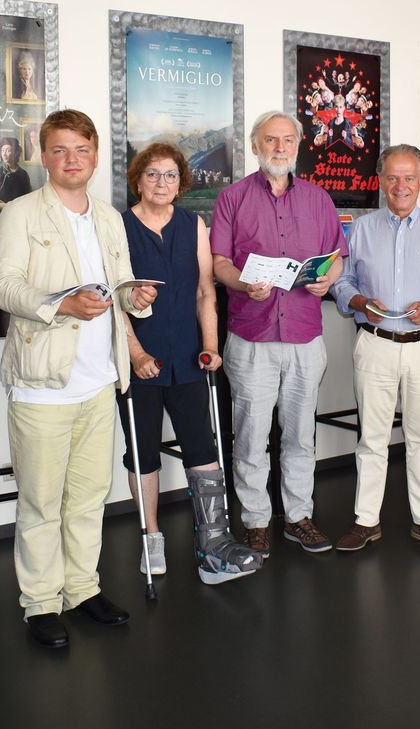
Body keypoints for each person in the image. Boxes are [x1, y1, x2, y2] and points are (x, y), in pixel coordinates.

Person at [0, 109, 158, 648]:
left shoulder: (108, 217)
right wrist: (62, 304)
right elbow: (3, 287)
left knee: (88, 498)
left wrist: (136, 296)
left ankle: (82, 590)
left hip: (99, 381)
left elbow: (121, 287)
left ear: (95, 155)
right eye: (60, 149)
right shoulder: (20, 213)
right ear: (44, 156)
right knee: (41, 502)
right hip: (42, 384)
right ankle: (40, 602)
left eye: (81, 150)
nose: (71, 159)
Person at [119, 142, 263, 583]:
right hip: (139, 358)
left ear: (181, 182)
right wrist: (136, 353)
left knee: (201, 446)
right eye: (152, 174)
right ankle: (151, 537)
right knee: (143, 453)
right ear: (138, 180)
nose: (161, 182)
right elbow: (114, 301)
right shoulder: (118, 226)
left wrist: (211, 345)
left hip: (187, 355)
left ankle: (214, 542)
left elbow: (205, 291)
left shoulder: (193, 225)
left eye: (170, 175)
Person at [211, 110, 348, 556]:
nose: (280, 147)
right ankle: (255, 521)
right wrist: (242, 283)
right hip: (252, 338)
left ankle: (298, 516)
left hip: (305, 337)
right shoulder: (232, 198)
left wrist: (328, 279)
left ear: (298, 145)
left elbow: (337, 256)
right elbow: (219, 262)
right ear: (255, 146)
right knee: (251, 436)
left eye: (288, 139)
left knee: (300, 435)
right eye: (271, 140)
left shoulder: (319, 199)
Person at [331, 144, 420, 553]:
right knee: (372, 439)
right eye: (392, 177)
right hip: (375, 346)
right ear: (380, 181)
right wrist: (360, 302)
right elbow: (342, 282)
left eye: (409, 177)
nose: (401, 186)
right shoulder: (361, 229)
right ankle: (366, 522)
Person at [0, 137, 33, 211]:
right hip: (2, 214)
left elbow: (28, 198)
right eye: (2, 150)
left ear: (15, 153)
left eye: (8, 150)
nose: (4, 154)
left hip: (19, 213)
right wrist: (5, 206)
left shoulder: (23, 174)